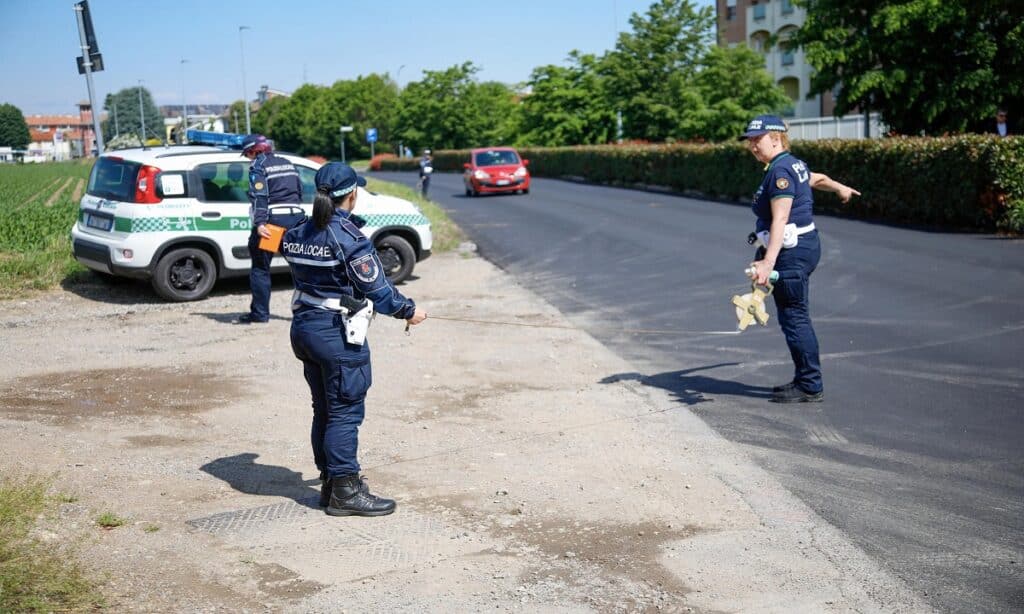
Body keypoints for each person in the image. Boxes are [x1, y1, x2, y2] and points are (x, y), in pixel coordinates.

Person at [280, 161, 428, 516]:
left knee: (325, 409)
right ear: (352, 194)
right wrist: (409, 310)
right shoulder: (348, 238)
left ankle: (331, 483)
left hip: (304, 327)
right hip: (336, 334)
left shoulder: (297, 231)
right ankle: (345, 490)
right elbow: (378, 289)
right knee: (344, 412)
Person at [738, 114, 859, 403]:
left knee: (794, 317)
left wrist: (768, 262)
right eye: (750, 141)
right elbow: (816, 179)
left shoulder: (780, 172)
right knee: (794, 314)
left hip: (792, 252)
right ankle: (805, 378)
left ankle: (809, 384)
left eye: (758, 140)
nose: (753, 146)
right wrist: (839, 187)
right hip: (804, 245)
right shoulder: (793, 164)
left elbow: (780, 218)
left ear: (777, 138)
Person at [238, 134, 303, 324]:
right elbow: (298, 190)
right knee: (300, 267)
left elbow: (260, 195)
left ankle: (260, 314)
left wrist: (260, 223)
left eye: (248, 154)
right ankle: (307, 312)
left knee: (260, 268)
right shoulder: (288, 163)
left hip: (272, 224)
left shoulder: (258, 165)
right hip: (295, 219)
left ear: (254, 150)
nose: (249, 157)